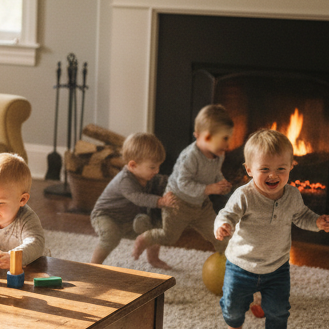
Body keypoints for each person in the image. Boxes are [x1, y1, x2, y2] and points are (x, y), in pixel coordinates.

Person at [214, 130, 329, 329]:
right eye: (265, 169)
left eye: (281, 168)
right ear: (249, 170)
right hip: (241, 266)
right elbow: (226, 214)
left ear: (291, 167)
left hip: (277, 268)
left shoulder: (292, 196)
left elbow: (302, 216)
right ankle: (235, 324)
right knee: (232, 305)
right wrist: (223, 225)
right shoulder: (244, 195)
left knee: (278, 310)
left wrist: (318, 222)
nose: (273, 175)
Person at [133, 104, 233, 262]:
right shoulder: (191, 157)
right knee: (169, 236)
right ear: (204, 137)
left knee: (219, 234)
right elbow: (183, 183)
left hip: (201, 205)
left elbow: (215, 172)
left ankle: (229, 265)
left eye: (228, 138)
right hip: (177, 203)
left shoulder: (219, 154)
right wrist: (209, 188)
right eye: (224, 139)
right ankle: (145, 238)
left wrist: (220, 182)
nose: (227, 145)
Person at [89, 132, 177, 267]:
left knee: (154, 231)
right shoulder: (125, 180)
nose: (157, 171)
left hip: (128, 218)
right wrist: (161, 201)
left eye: (159, 166)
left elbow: (162, 181)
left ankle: (153, 259)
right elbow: (138, 198)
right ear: (133, 165)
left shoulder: (147, 176)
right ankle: (93, 266)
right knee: (111, 237)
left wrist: (175, 186)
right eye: (152, 167)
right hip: (106, 216)